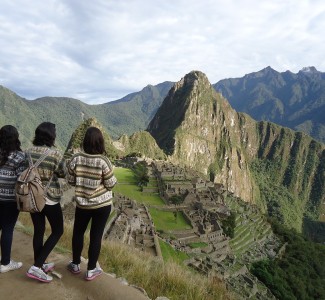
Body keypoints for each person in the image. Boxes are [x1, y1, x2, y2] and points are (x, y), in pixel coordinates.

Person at [67, 127, 117, 281]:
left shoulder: (75, 158)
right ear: (100, 142)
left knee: (78, 233)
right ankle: (91, 269)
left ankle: (75, 264)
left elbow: (70, 180)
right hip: (102, 205)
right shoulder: (103, 161)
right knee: (96, 237)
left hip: (83, 204)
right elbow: (111, 183)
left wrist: (83, 182)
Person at [26, 122, 65, 283]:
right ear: (51, 136)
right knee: (58, 230)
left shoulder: (27, 152)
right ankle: (36, 266)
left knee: (39, 231)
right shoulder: (55, 154)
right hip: (49, 198)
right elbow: (62, 173)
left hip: (32, 197)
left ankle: (40, 264)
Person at [0, 125, 25, 273]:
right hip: (10, 199)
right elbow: (21, 179)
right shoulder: (19, 157)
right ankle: (5, 263)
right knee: (7, 229)